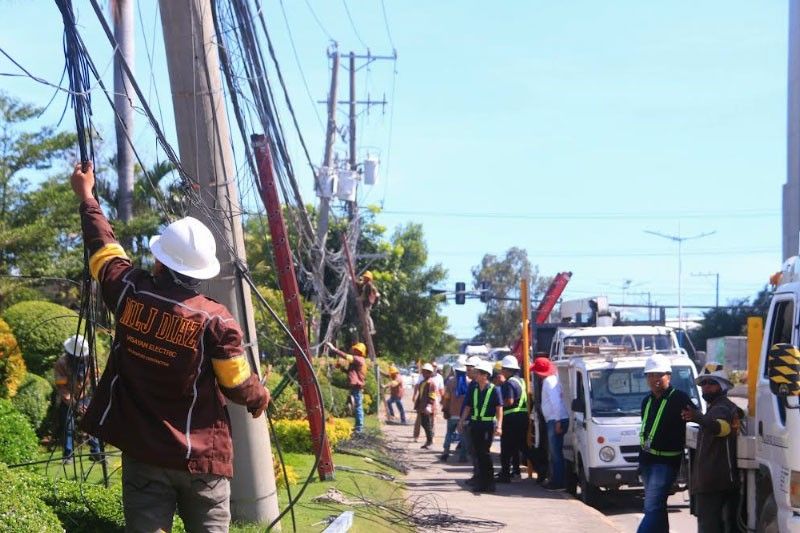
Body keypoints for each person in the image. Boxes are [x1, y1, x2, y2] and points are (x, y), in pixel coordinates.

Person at [71, 162, 270, 532]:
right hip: (202, 461)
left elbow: (104, 250)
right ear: (201, 273)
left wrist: (87, 196)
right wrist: (259, 396)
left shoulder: (130, 291)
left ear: (160, 260)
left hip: (145, 452)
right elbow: (237, 384)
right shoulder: (217, 321)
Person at [637, 354, 694, 533]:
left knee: (652, 506)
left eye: (658, 375)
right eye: (650, 375)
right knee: (658, 507)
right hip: (647, 459)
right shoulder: (647, 401)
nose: (654, 379)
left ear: (668, 375)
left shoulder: (679, 398)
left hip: (666, 462)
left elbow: (695, 418)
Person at [682, 365, 741, 533]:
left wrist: (698, 417)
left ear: (722, 386)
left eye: (711, 383)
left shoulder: (722, 408)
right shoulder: (716, 408)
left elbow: (722, 428)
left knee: (709, 528)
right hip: (714, 482)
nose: (706, 387)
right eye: (703, 384)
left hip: (714, 483)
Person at [54, 334, 102, 463]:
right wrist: (73, 403)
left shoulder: (90, 361)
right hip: (68, 399)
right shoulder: (61, 363)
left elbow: (96, 378)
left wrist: (95, 396)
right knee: (68, 426)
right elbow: (62, 387)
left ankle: (96, 452)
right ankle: (68, 456)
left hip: (85, 397)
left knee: (91, 423)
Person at [458, 360, 503, 493]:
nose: (475, 375)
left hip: (487, 425)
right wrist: (461, 421)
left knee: (485, 454)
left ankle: (489, 483)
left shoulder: (494, 390)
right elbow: (468, 406)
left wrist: (499, 426)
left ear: (485, 375)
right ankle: (481, 482)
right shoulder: (474, 389)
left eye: (477, 373)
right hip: (475, 424)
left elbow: (499, 409)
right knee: (478, 454)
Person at [532, 356, 569, 491]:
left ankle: (558, 482)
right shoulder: (554, 379)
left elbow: (555, 402)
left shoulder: (549, 381)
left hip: (555, 419)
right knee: (555, 452)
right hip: (555, 419)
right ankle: (557, 480)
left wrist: (558, 420)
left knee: (555, 453)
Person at [497, 355, 528, 482]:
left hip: (511, 418)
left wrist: (498, 405)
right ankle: (516, 472)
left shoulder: (509, 383)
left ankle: (505, 474)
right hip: (522, 417)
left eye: (503, 369)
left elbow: (509, 401)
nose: (501, 371)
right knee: (519, 446)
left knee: (506, 447)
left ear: (507, 369)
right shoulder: (521, 381)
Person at [327, 342, 367, 433]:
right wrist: (342, 369)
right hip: (356, 386)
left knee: (358, 407)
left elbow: (346, 356)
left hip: (357, 386)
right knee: (356, 406)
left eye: (356, 350)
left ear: (359, 352)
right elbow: (352, 372)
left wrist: (334, 349)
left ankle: (359, 428)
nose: (354, 351)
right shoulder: (358, 361)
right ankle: (358, 427)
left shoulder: (359, 359)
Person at [440, 355, 469, 462]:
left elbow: (446, 398)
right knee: (463, 436)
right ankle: (463, 456)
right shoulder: (469, 382)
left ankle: (445, 452)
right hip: (463, 416)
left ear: (455, 370)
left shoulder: (450, 382)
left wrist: (445, 410)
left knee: (449, 433)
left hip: (452, 414)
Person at [415, 363, 437, 449]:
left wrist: (429, 405)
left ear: (430, 373)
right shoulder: (422, 383)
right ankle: (428, 441)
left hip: (428, 408)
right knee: (424, 424)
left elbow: (432, 395)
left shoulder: (431, 383)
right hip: (422, 407)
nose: (424, 373)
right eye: (423, 372)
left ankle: (430, 441)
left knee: (428, 424)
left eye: (426, 372)